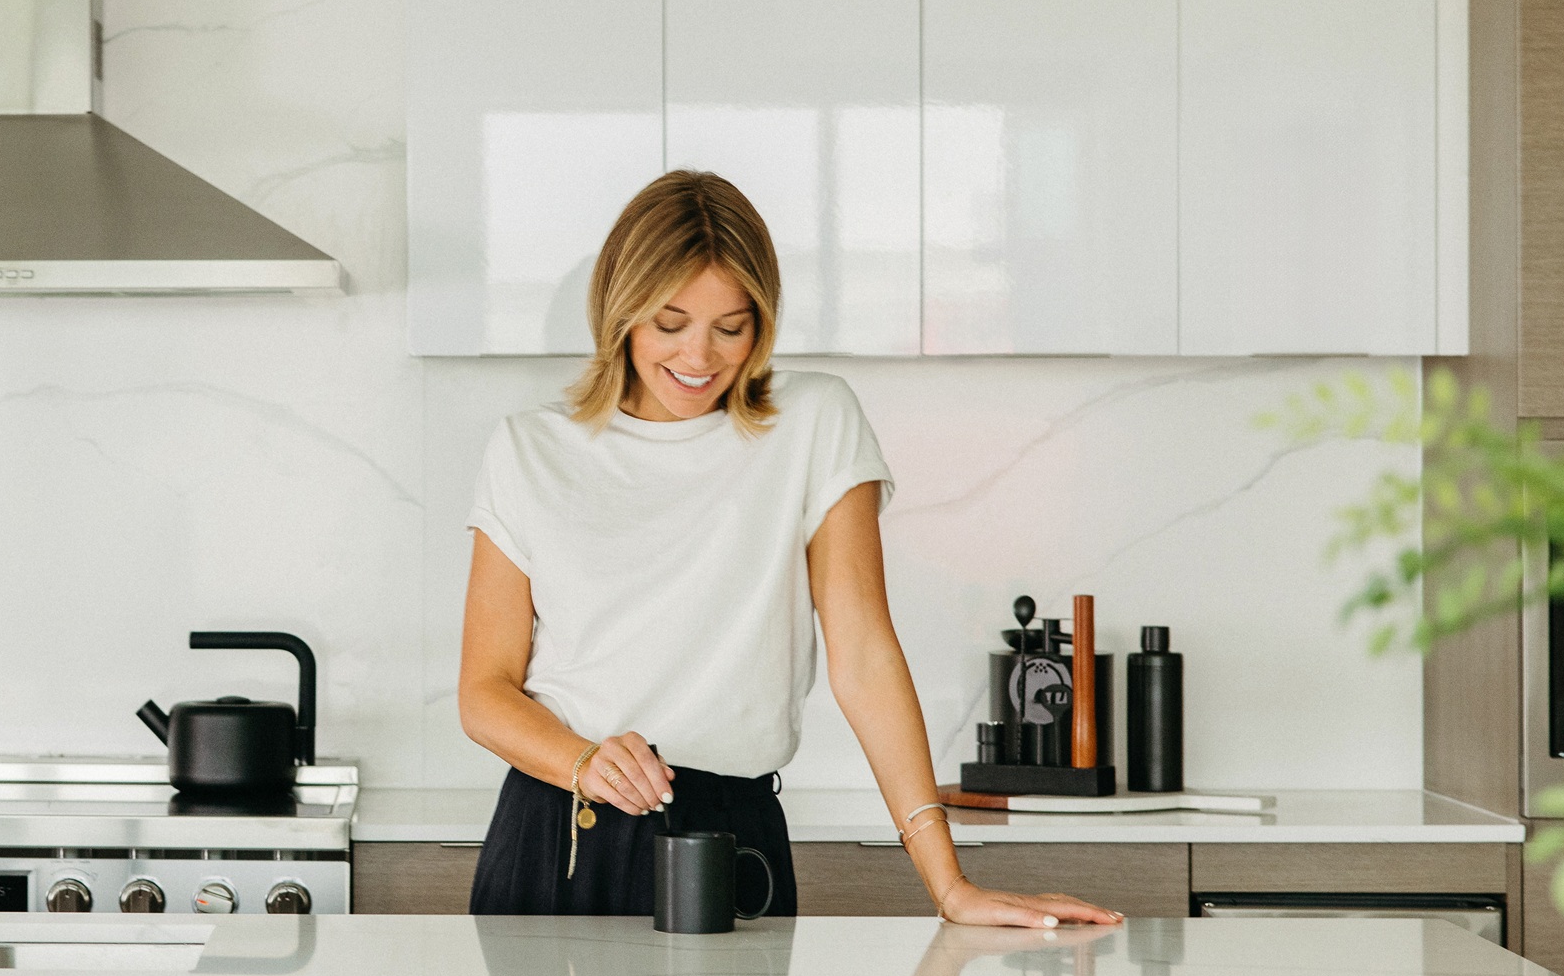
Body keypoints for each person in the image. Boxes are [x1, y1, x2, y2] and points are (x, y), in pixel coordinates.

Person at [458, 170, 1120, 929]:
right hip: (560, 829)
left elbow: (865, 657)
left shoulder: (814, 422)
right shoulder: (529, 449)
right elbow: (485, 690)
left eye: (730, 327)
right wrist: (581, 761)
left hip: (731, 834)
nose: (699, 356)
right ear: (621, 311)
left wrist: (950, 885)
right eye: (670, 323)